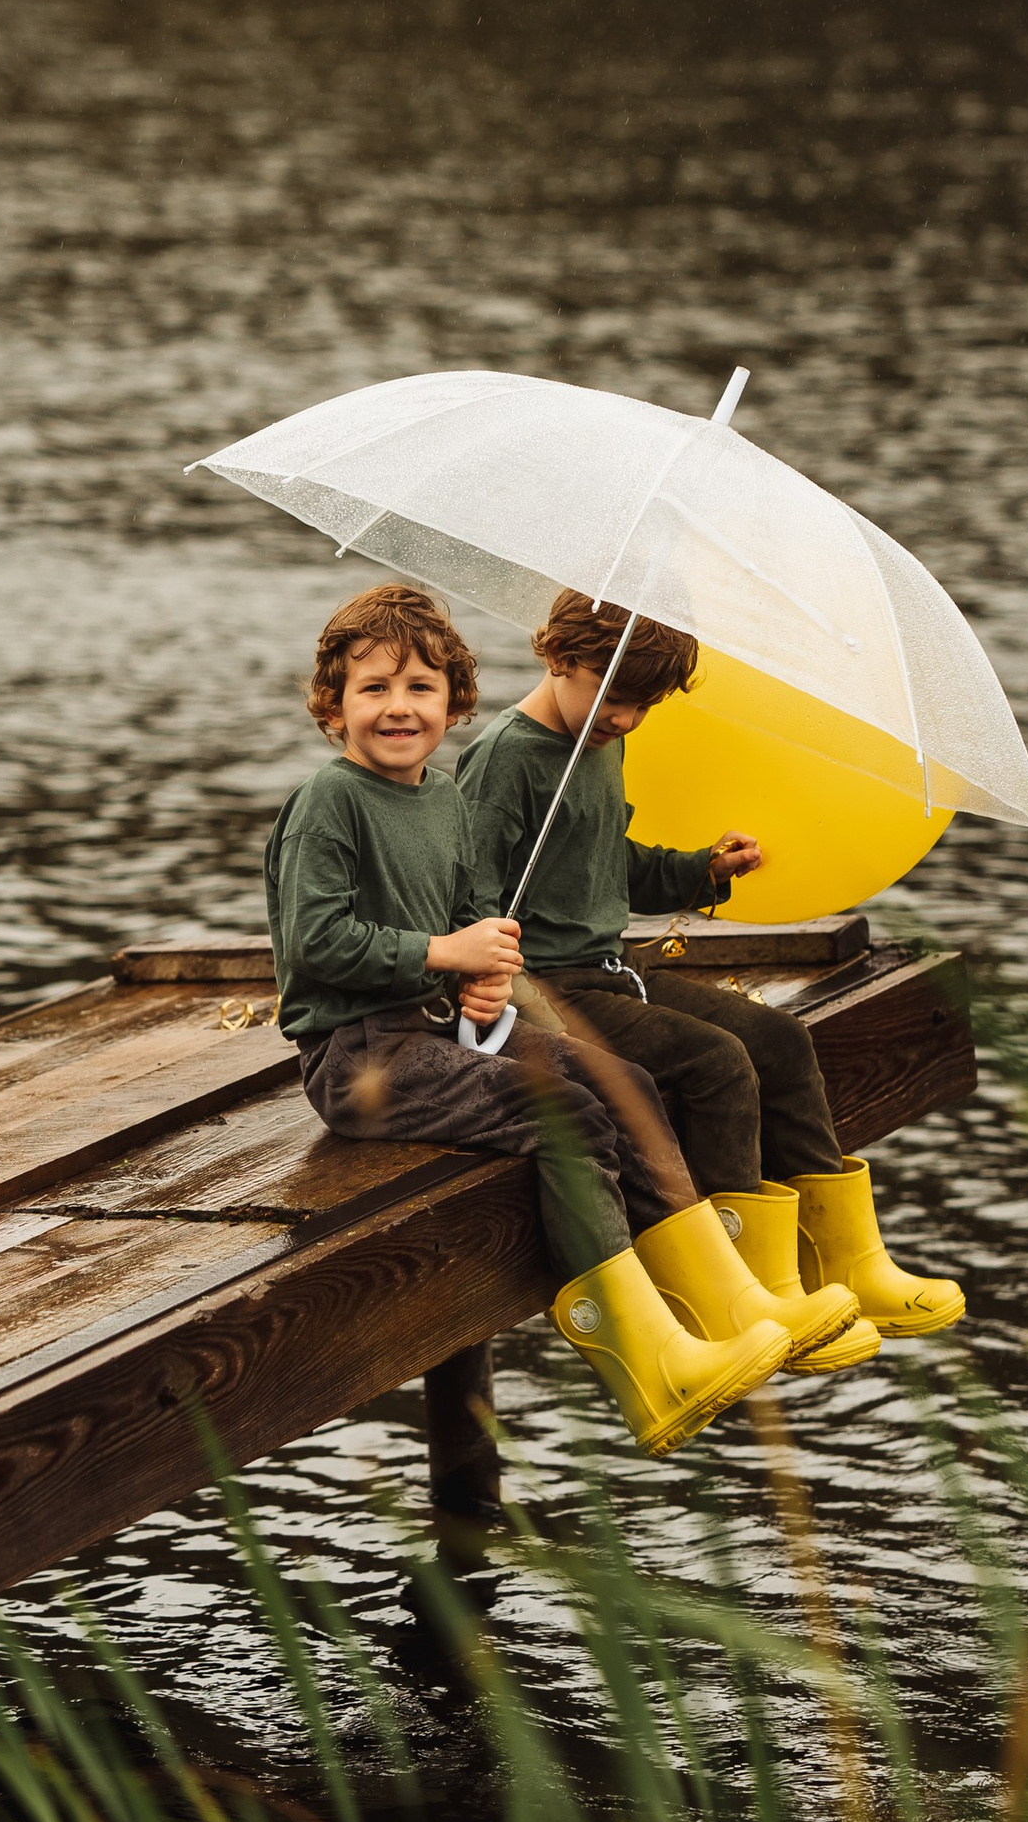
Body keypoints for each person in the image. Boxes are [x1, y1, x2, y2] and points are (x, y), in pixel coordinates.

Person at [264, 579, 785, 1461]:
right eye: (374, 688)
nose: (399, 707)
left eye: (421, 687)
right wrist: (443, 955)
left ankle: (712, 1301)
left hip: (439, 1030)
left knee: (620, 1082)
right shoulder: (330, 804)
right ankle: (642, 1356)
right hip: (361, 1058)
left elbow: (472, 916)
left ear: (454, 701)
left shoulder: (442, 800)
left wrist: (486, 973)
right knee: (565, 1111)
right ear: (332, 703)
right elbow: (315, 946)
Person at [457, 588, 963, 1360]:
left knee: (780, 1039)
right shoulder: (505, 760)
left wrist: (703, 871)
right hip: (545, 991)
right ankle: (743, 1292)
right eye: (617, 697)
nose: (628, 718)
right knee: (716, 1062)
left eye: (645, 706)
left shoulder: (599, 743)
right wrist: (496, 987)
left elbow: (608, 865)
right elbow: (465, 898)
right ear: (558, 656)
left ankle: (843, 1264)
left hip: (608, 971)